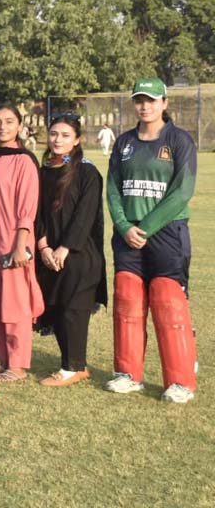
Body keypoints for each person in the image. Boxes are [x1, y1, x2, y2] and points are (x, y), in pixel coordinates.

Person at [106, 77, 197, 403]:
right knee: (127, 299)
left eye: (151, 100)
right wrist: (122, 224)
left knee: (167, 300)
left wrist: (144, 227)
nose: (145, 106)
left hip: (166, 232)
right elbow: (113, 187)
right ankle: (128, 375)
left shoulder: (179, 140)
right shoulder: (124, 142)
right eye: (139, 100)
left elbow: (182, 190)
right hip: (126, 234)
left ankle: (181, 381)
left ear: (164, 103)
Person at [36, 114, 106, 387]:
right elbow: (36, 213)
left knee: (73, 310)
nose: (58, 140)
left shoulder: (87, 172)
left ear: (77, 140)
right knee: (56, 308)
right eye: (54, 134)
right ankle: (72, 364)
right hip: (48, 253)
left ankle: (74, 366)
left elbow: (85, 216)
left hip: (78, 254)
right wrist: (43, 247)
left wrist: (63, 249)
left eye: (65, 135)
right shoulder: (44, 171)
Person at [0, 106, 43, 382]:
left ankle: (18, 365)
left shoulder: (23, 160)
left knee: (14, 303)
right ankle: (4, 361)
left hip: (12, 239)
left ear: (19, 126)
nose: (3, 127)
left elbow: (28, 207)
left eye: (9, 122)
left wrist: (21, 244)